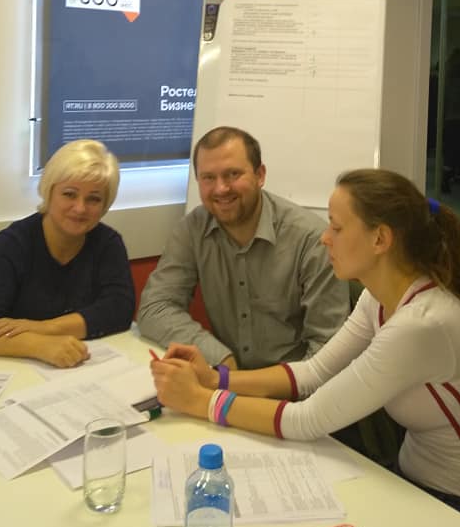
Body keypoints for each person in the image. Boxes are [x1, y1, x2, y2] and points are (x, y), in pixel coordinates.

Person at [151, 168, 460, 527]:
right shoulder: (378, 298)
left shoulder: (421, 325)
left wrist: (201, 401)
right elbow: (312, 372)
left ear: (380, 239)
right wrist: (216, 379)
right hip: (414, 488)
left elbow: (308, 419)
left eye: (336, 227)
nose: (324, 237)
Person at [137, 126, 349, 369]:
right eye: (208, 178)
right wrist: (219, 358)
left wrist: (252, 385)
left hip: (296, 383)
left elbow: (327, 351)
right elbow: (155, 308)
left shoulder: (312, 240)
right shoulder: (192, 229)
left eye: (233, 174)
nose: (221, 188)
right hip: (227, 378)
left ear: (260, 175)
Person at [0, 139, 135, 368]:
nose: (80, 208)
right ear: (49, 193)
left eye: (94, 199)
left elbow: (119, 310)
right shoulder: (11, 244)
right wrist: (38, 345)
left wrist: (43, 328)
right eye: (69, 194)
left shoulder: (108, 243)